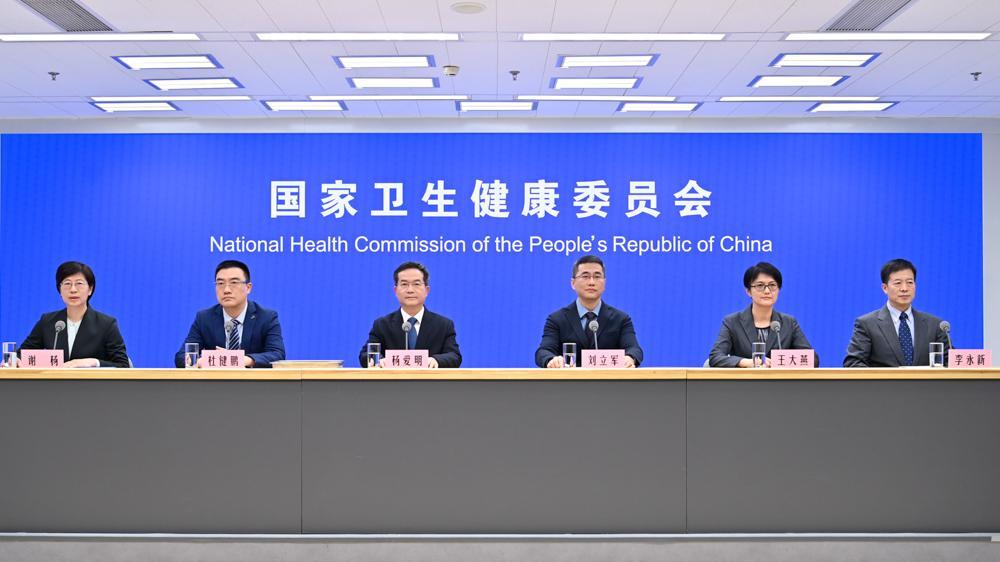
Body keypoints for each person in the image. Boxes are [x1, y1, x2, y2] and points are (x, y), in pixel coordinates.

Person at [535, 255, 642, 368]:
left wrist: (630, 357)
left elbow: (634, 349)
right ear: (573, 283)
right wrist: (552, 360)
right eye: (585, 276)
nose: (591, 282)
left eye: (597, 276)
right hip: (570, 379)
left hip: (608, 379)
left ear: (604, 282)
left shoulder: (620, 319)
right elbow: (543, 351)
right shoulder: (557, 319)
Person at [174, 260, 285, 368]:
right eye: (220, 283)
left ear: (248, 288)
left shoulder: (266, 317)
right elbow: (181, 357)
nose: (226, 290)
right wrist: (202, 361)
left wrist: (239, 360)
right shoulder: (204, 318)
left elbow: (277, 354)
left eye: (234, 283)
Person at [18, 261, 130, 368]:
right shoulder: (48, 321)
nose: (73, 289)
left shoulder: (106, 324)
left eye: (79, 283)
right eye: (67, 283)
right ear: (60, 290)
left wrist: (92, 362)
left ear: (90, 289)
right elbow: (21, 355)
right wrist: (14, 360)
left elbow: (123, 365)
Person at [708, 262, 818, 368]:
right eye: (760, 285)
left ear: (779, 289)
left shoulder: (789, 323)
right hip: (745, 380)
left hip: (779, 380)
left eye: (772, 285)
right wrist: (745, 362)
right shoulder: (732, 322)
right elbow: (715, 357)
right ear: (748, 291)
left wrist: (779, 361)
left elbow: (813, 359)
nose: (767, 291)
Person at [844, 258, 949, 367]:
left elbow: (951, 362)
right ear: (885, 288)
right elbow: (853, 363)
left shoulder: (935, 325)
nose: (904, 288)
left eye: (910, 282)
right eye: (898, 283)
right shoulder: (867, 324)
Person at [359, 261, 462, 368]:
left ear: (427, 290)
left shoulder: (443, 325)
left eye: (416, 284)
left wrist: (436, 360)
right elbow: (365, 355)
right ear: (395, 290)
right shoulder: (382, 325)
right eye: (404, 284)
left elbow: (454, 356)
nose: (410, 290)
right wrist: (379, 360)